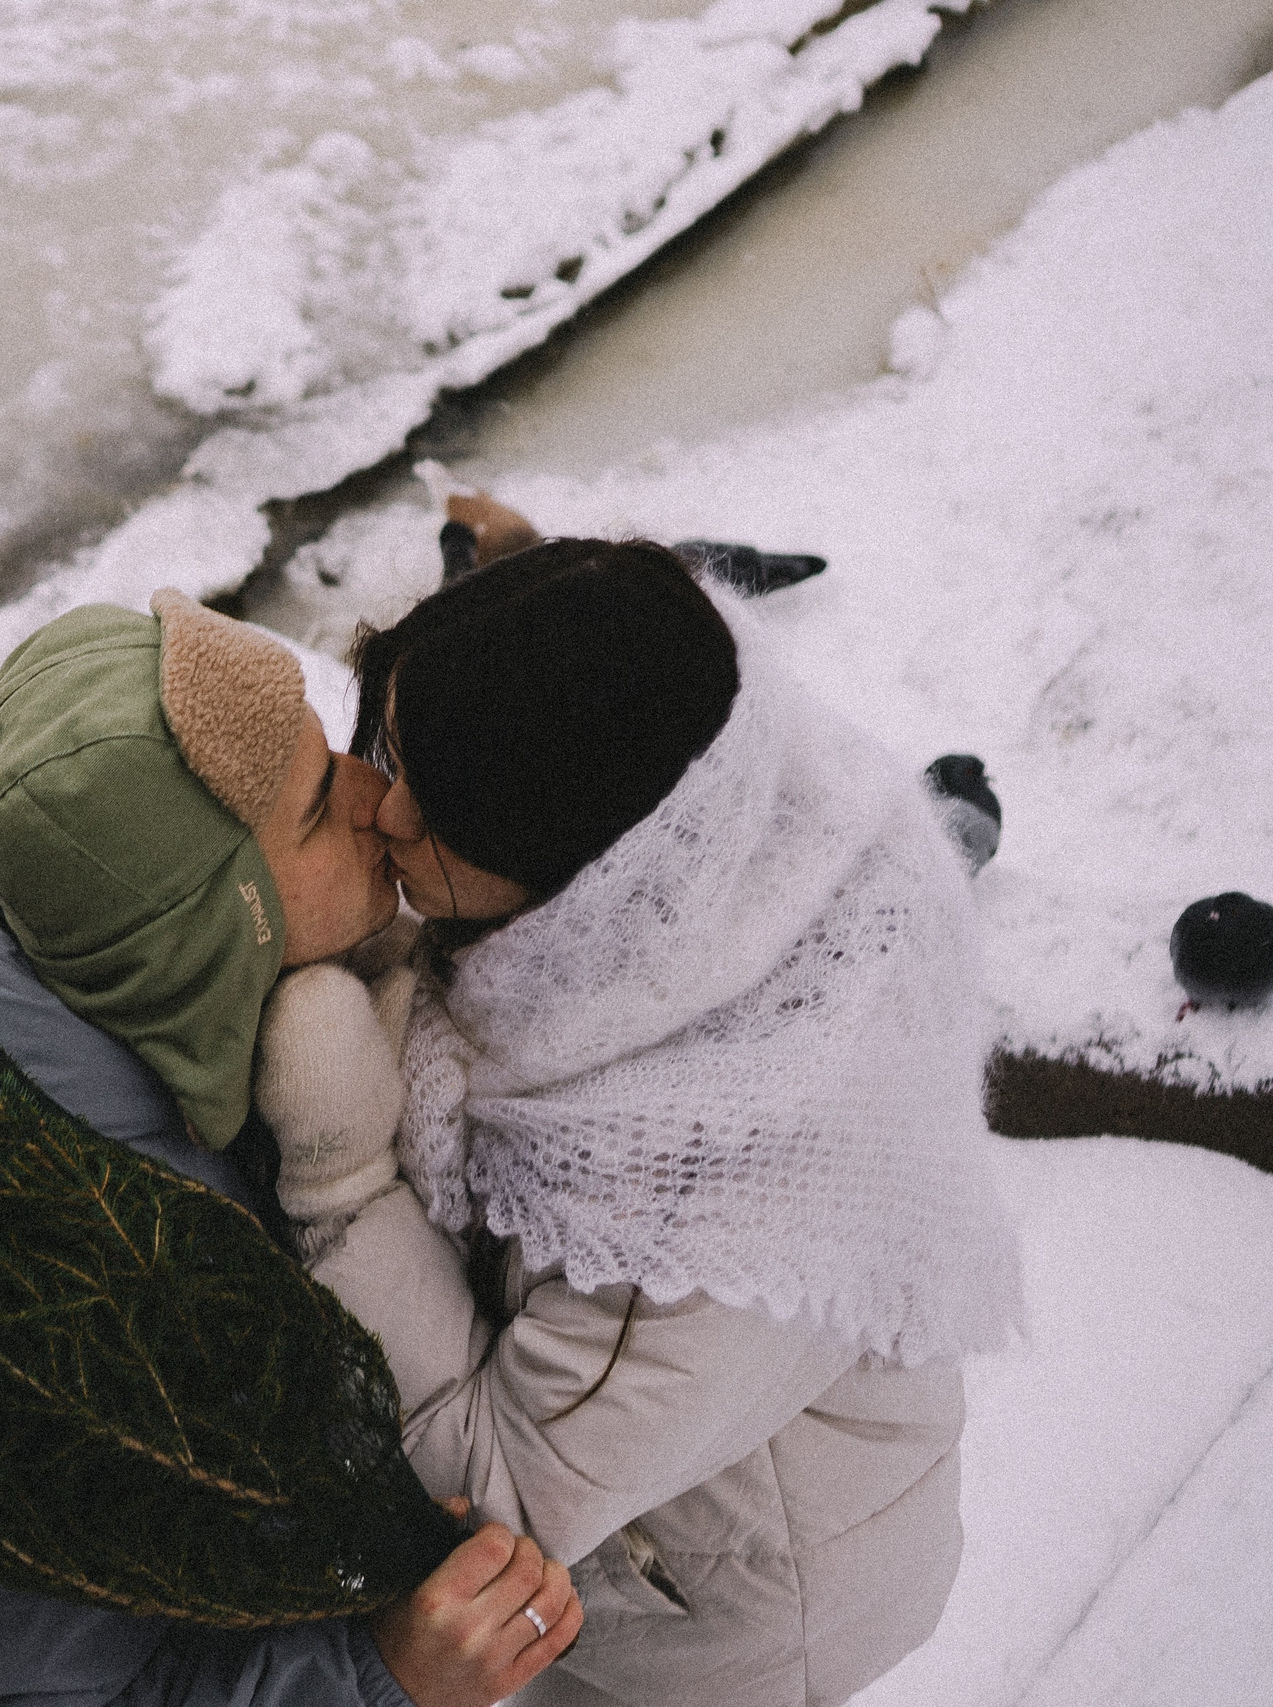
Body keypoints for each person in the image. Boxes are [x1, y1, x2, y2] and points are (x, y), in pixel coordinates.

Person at [253, 533, 1024, 1706]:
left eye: (442, 806)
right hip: (679, 1523)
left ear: (589, 865)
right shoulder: (716, 832)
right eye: (394, 749)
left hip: (723, 1628)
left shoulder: (701, 1204)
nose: (385, 810)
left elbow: (497, 1487)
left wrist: (339, 1182)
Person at [0, 589, 584, 1707]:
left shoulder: (105, 1045)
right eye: (322, 804)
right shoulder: (63, 1294)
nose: (382, 803)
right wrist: (369, 1675)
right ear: (213, 931)